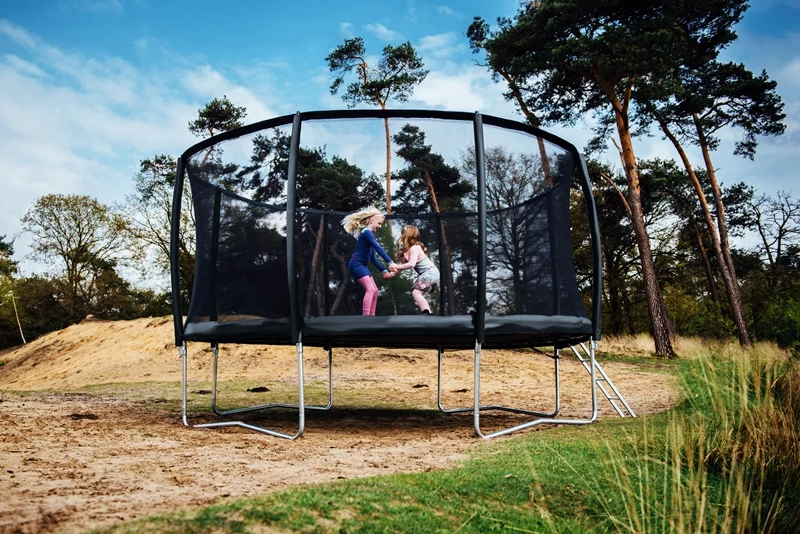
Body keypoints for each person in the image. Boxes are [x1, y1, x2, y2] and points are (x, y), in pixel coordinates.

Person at [342, 207, 397, 316]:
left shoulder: (369, 235)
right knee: (370, 290)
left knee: (375, 291)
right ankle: (366, 317)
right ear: (371, 220)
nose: (380, 226)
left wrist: (384, 270)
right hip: (356, 264)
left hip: (362, 265)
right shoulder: (366, 232)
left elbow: (373, 258)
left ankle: (372, 317)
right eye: (379, 223)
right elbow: (378, 247)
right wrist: (390, 261)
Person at [387, 224, 440, 315]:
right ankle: (429, 314)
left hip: (430, 272)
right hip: (430, 274)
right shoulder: (408, 250)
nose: (401, 236)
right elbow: (402, 266)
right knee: (419, 294)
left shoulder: (415, 248)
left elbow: (411, 264)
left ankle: (427, 313)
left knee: (416, 292)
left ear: (408, 235)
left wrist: (396, 266)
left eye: (403, 234)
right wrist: (392, 274)